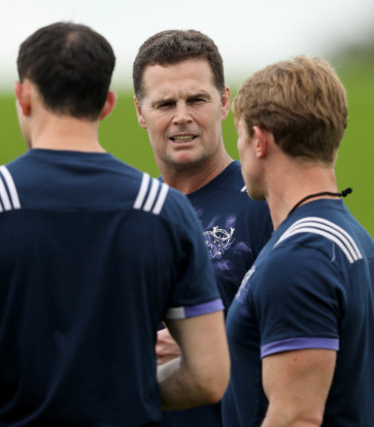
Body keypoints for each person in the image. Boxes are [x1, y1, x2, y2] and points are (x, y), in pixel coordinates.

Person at [0, 21, 230, 426]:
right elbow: (208, 377)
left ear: (23, 97)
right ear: (108, 104)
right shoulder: (163, 209)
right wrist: (128, 387)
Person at [222, 55, 374, 426]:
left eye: (240, 134)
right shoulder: (352, 238)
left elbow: (296, 417)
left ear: (260, 140)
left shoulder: (299, 258)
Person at [133, 30, 273, 426]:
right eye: (164, 103)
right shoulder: (129, 215)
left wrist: (204, 348)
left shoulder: (263, 205)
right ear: (140, 112)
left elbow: (301, 337)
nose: (181, 116)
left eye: (196, 99)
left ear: (225, 102)